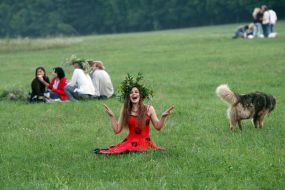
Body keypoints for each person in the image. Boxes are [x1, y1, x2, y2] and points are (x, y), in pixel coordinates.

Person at [94, 73, 174, 154]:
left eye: (136, 92)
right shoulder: (125, 110)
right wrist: (112, 116)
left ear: (140, 95)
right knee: (119, 152)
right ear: (128, 96)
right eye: (131, 92)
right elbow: (117, 130)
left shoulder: (149, 109)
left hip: (145, 142)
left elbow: (158, 127)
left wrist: (163, 117)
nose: (134, 94)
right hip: (130, 142)